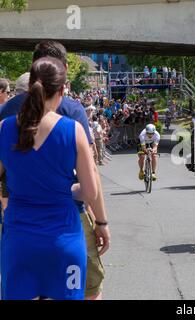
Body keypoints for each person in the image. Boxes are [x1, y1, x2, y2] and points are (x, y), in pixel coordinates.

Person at [0, 41, 110, 300]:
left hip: (20, 239)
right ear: (62, 90)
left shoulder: (4, 127)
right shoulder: (73, 130)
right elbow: (90, 189)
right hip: (64, 238)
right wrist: (65, 189)